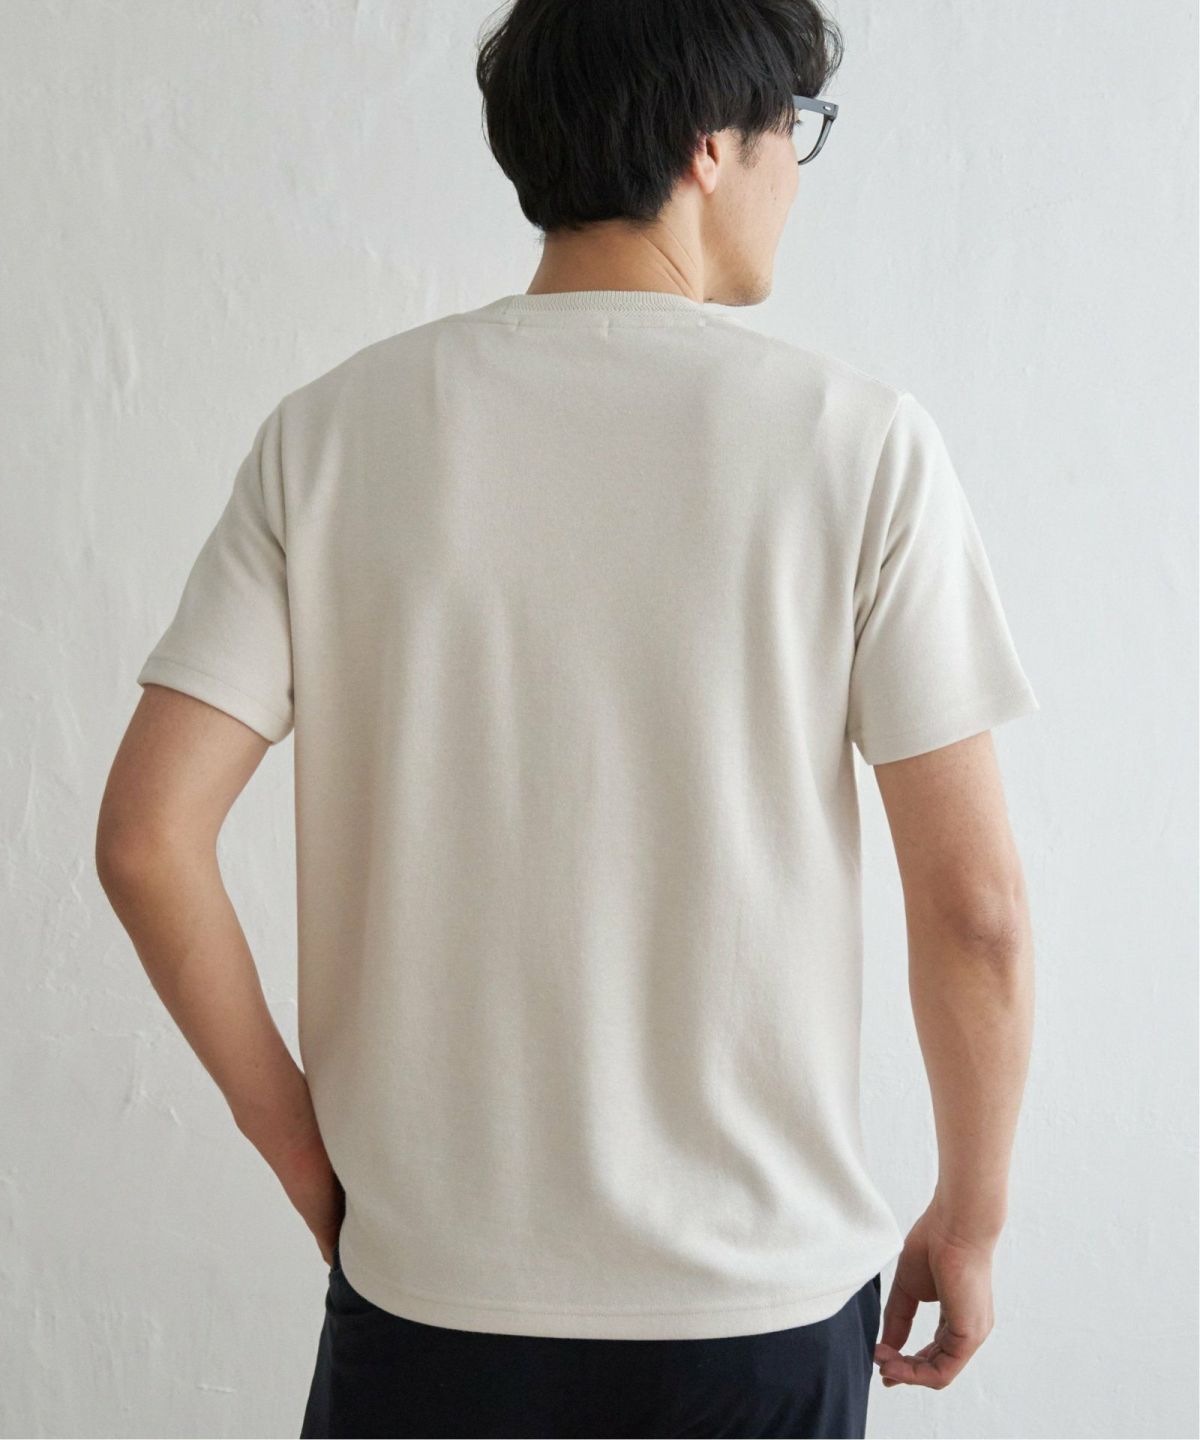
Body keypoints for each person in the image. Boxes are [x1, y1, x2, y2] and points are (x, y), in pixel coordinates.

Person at [95, 1, 1040, 1435]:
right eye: (794, 133)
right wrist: (972, 1216)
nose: (795, 179)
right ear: (710, 145)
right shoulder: (858, 446)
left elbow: (145, 838)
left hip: (429, 1300)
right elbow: (976, 909)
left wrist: (300, 1151)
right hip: (753, 1311)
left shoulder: (330, 435)